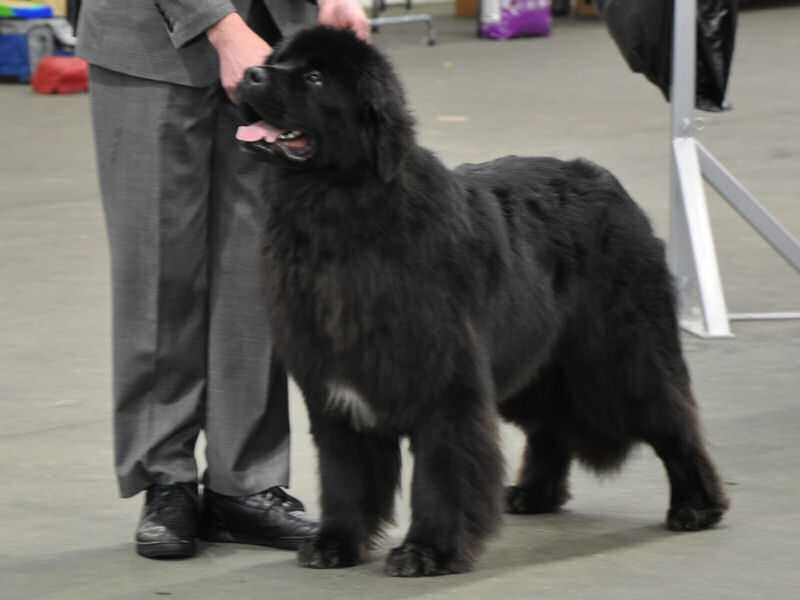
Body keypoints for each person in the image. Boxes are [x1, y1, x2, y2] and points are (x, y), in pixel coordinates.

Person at [75, 0, 370, 559]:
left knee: (259, 270)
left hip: (276, 37)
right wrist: (222, 27)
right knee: (159, 266)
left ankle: (247, 483)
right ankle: (166, 479)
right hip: (150, 37)